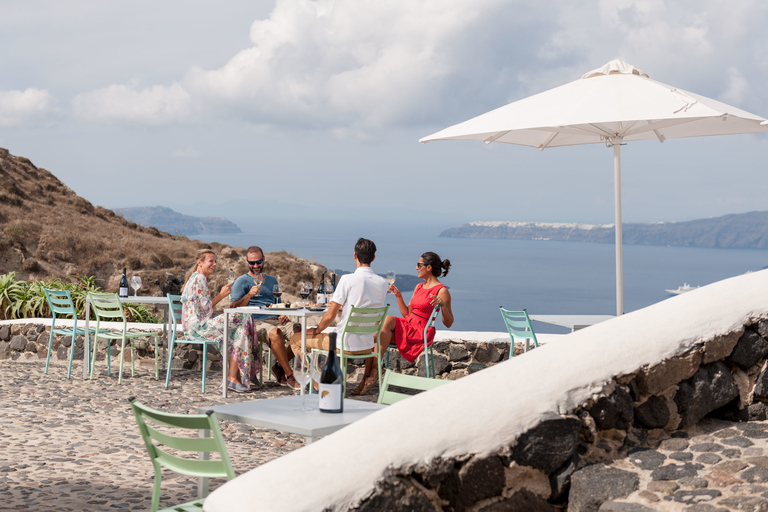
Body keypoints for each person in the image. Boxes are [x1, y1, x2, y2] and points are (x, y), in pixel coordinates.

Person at [289, 238, 388, 394]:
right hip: (367, 345)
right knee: (337, 336)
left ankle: (317, 382)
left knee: (296, 339)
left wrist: (316, 330)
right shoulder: (383, 283)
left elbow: (329, 316)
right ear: (373, 258)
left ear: (354, 255)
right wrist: (347, 308)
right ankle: (327, 379)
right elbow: (368, 307)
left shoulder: (348, 280)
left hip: (344, 345)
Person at [181, 249, 258, 393]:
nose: (214, 264)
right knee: (244, 318)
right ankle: (237, 376)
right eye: (211, 261)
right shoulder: (200, 279)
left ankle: (233, 378)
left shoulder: (195, 278)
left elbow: (200, 309)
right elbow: (204, 309)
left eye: (215, 261)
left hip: (194, 328)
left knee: (240, 327)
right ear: (200, 263)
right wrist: (222, 295)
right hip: (198, 329)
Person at [376, 252, 454, 385]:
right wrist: (398, 295)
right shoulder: (419, 287)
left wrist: (443, 305)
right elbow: (407, 314)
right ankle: (373, 372)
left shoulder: (441, 291)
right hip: (409, 325)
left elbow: (449, 323)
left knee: (386, 321)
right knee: (377, 327)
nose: (416, 268)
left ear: (428, 267)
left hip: (420, 331)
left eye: (419, 265)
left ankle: (373, 370)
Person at [230, 246, 302, 389]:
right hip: (255, 321)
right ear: (247, 262)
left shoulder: (272, 280)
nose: (256, 266)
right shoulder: (241, 281)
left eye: (258, 262)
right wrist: (249, 295)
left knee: (299, 331)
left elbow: (277, 303)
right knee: (275, 333)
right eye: (252, 263)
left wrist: (281, 313)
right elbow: (233, 307)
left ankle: (279, 366)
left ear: (264, 260)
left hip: (275, 318)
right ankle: (289, 375)